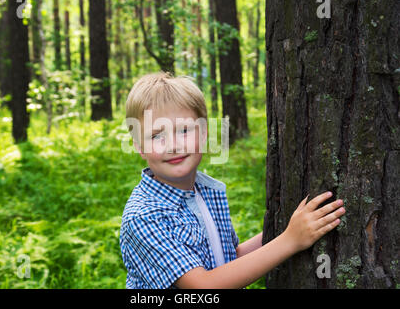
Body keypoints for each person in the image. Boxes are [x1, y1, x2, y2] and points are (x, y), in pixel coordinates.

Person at [119, 72, 346, 289]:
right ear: (139, 146)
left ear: (204, 132)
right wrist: (290, 240)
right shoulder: (143, 216)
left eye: (184, 130)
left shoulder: (204, 192)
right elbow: (204, 285)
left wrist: (286, 231)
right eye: (157, 135)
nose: (173, 145)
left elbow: (228, 260)